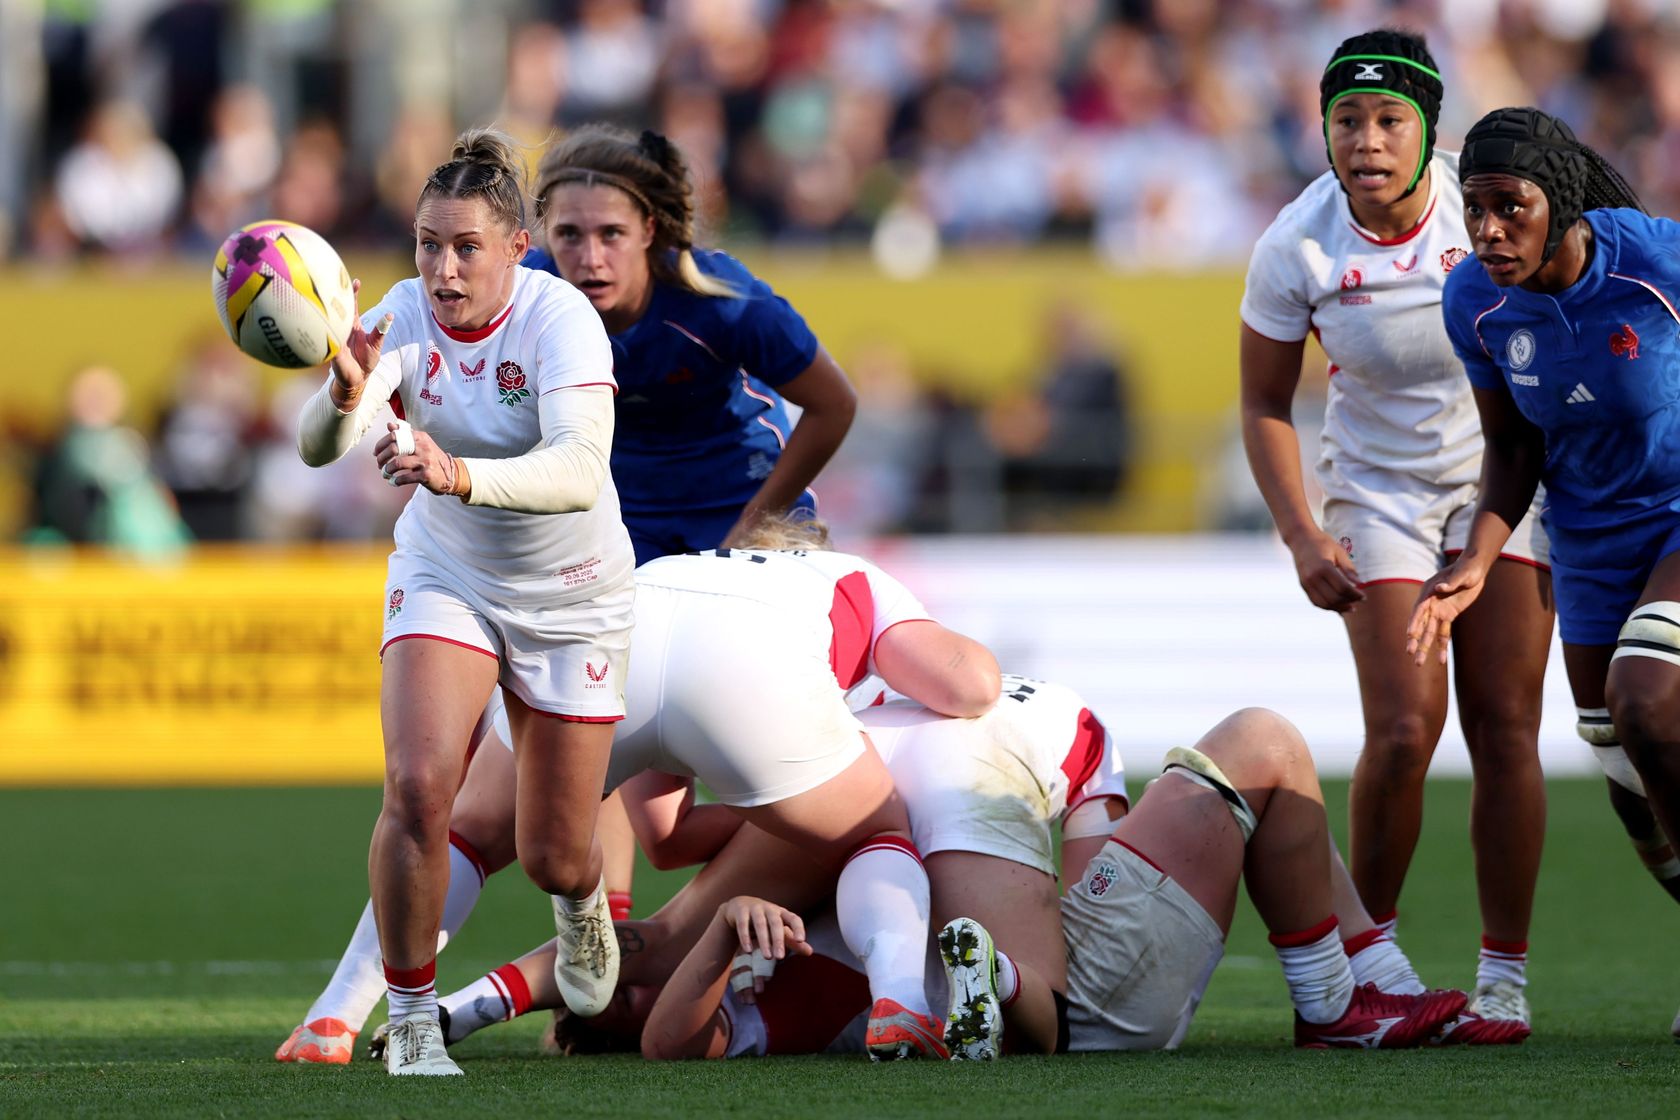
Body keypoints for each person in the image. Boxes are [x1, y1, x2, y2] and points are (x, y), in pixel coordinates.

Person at [293, 127, 635, 1076]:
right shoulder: (403, 314)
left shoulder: (561, 320)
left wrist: (455, 472)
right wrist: (343, 393)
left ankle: (581, 906)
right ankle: (409, 1023)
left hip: (573, 597)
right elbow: (317, 449)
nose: (444, 270)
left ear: (517, 248)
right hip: (448, 573)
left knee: (554, 851)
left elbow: (579, 470)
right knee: (417, 788)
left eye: (466, 247)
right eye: (428, 245)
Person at [1238, 28, 1550, 1042]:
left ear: (1429, 131)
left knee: (1504, 725)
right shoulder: (1297, 243)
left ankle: (1503, 978)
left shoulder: (1487, 207)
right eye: (1346, 120)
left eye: (1388, 120)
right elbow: (1264, 404)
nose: (1366, 141)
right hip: (1378, 495)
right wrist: (1300, 535)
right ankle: (1360, 977)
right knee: (1407, 731)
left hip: (1506, 475)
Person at [428, 669, 1127, 1060]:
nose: (628, 990)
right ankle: (976, 978)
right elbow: (1096, 895)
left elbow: (623, 958)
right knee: (1055, 1015)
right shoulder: (720, 1010)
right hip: (913, 730)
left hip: (902, 754)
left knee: (1046, 1016)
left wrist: (457, 1012)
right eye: (622, 1005)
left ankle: (965, 982)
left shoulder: (703, 972)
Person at [1412, 105, 1680, 1038]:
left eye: (1509, 208)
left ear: (1559, 204)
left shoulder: (1656, 261)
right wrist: (1475, 562)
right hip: (1589, 537)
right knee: (1623, 760)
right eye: (1473, 209)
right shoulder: (1474, 303)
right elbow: (1513, 448)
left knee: (1647, 696)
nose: (1487, 230)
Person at [527, 125, 858, 564]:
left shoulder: (720, 300)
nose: (591, 259)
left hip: (740, 497)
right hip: (622, 513)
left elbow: (835, 404)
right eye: (569, 234)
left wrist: (756, 523)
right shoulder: (525, 294)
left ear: (648, 230)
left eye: (611, 233)